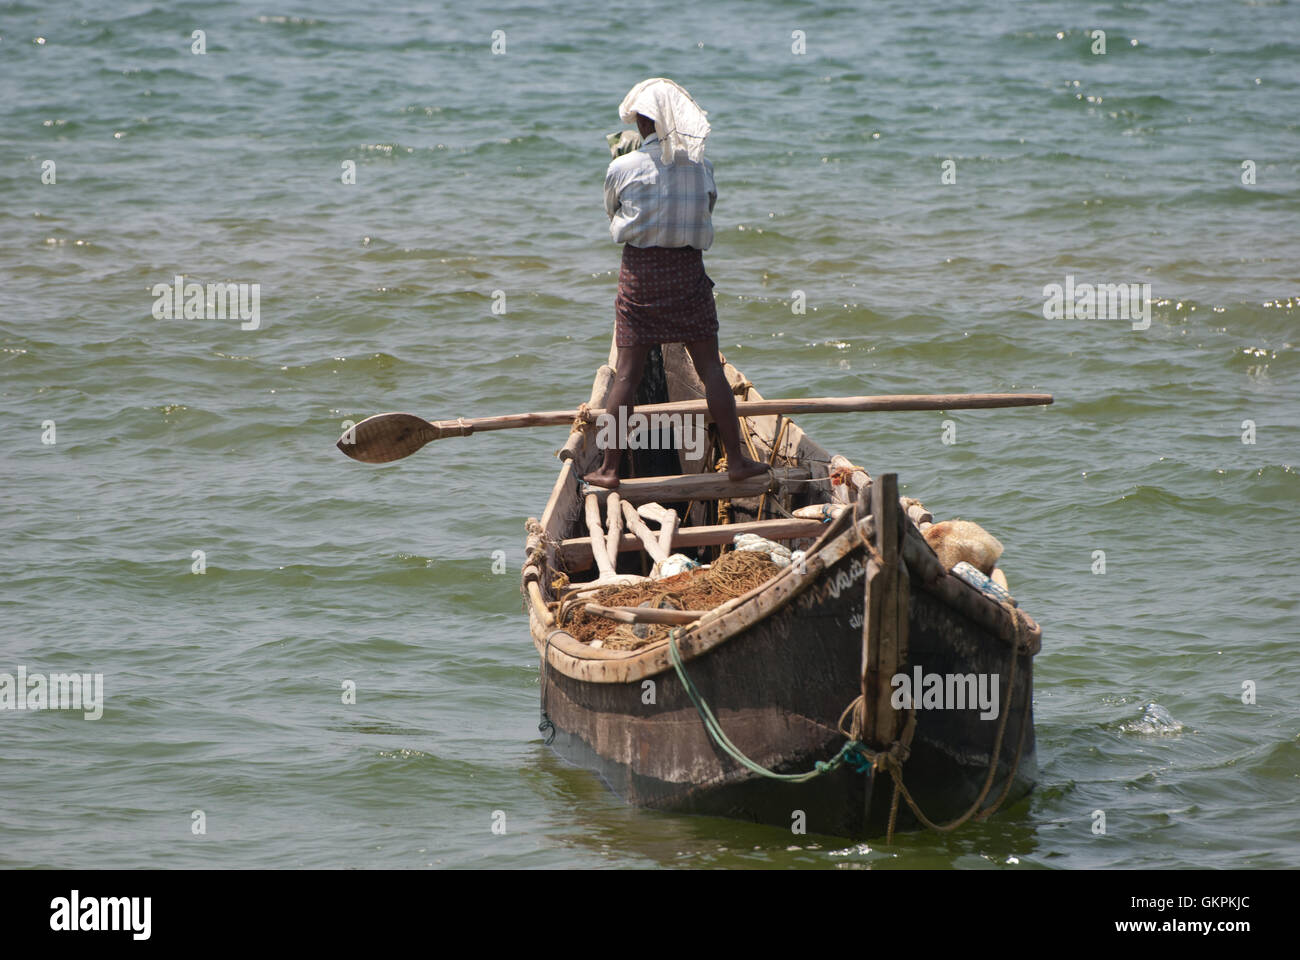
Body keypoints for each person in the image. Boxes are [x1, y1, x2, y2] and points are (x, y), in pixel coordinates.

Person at [583, 77, 769, 490]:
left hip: (641, 277)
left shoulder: (622, 167)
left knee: (626, 376)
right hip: (688, 273)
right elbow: (709, 207)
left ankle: (610, 469)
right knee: (710, 370)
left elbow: (611, 213)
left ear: (645, 125)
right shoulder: (701, 166)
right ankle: (736, 461)